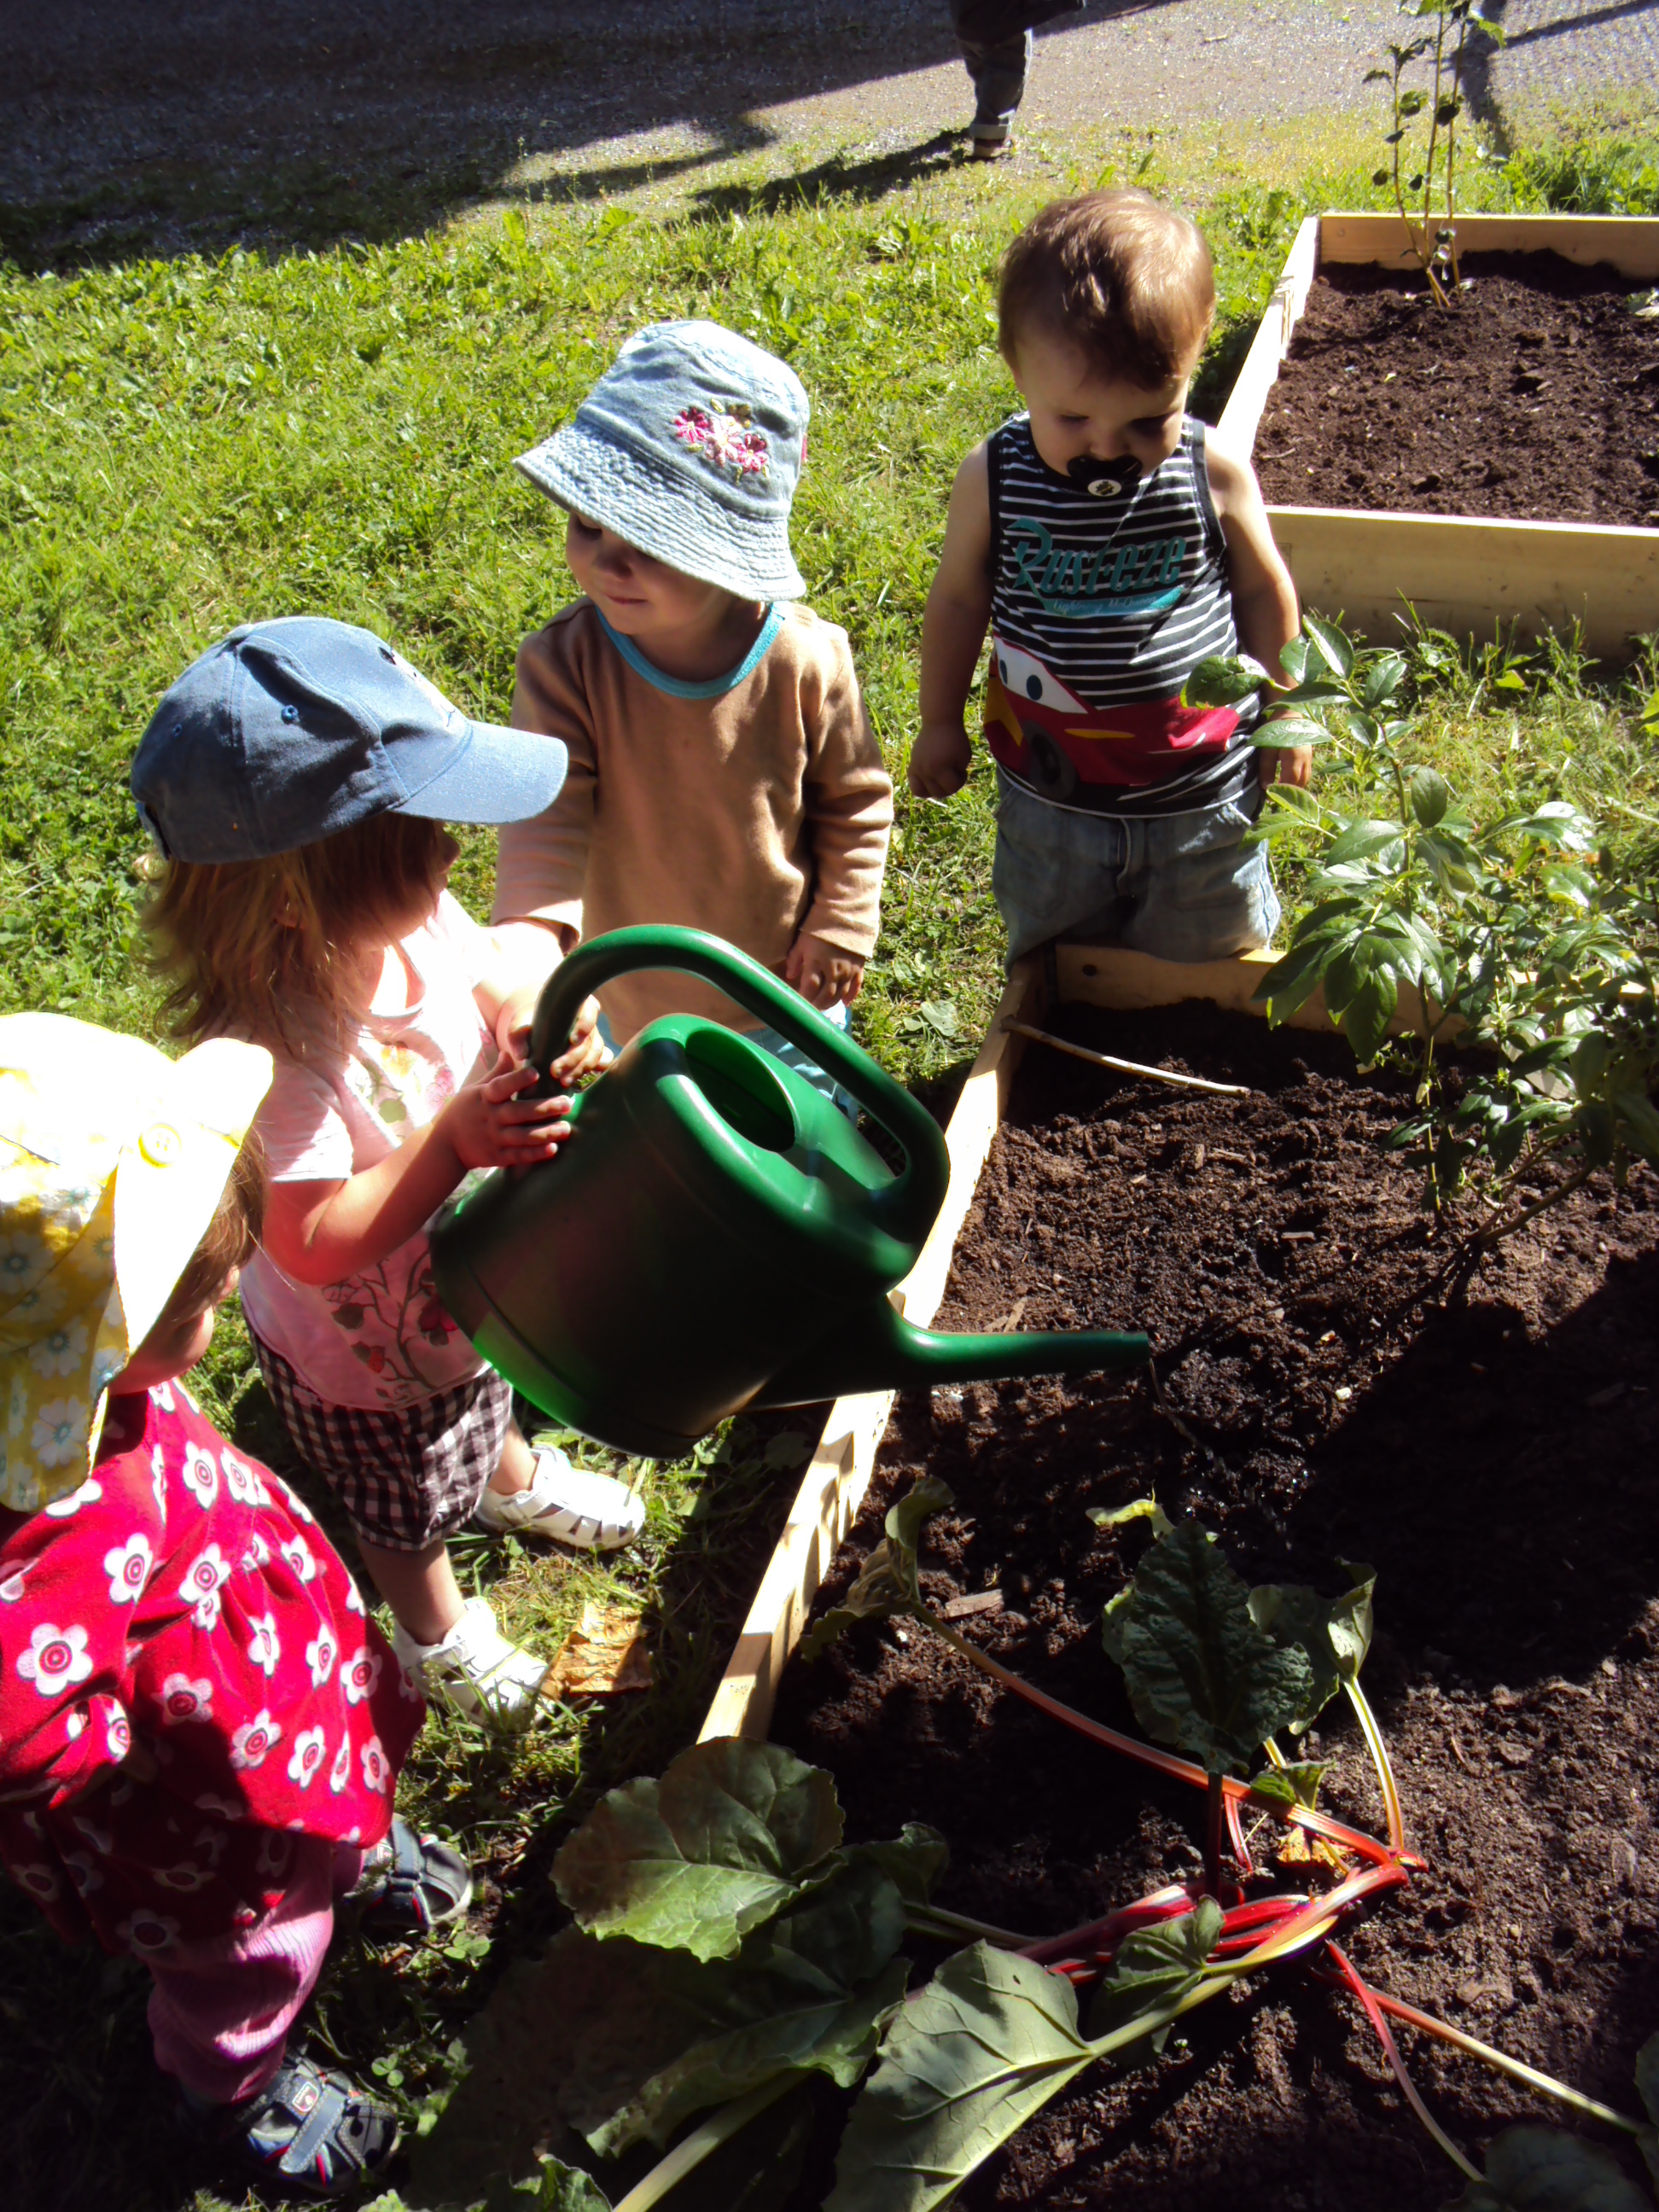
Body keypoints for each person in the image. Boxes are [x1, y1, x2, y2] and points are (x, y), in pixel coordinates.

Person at [130, 619, 644, 1731]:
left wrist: (531, 1014)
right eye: (422, 840)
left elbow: (494, 968)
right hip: (368, 1359)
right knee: (405, 1502)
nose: (454, 854)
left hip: (467, 1286)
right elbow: (311, 1240)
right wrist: (453, 1142)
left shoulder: (412, 925)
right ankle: (434, 1631)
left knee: (488, 1393)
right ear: (292, 895)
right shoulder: (272, 1053)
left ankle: (507, 1483)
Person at [0, 1012, 456, 2197]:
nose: (221, 1303)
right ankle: (234, 2081)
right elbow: (19, 1730)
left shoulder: (65, 1400)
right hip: (203, 1807)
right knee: (253, 1953)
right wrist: (141, 1766)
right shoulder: (48, 1520)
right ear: (84, 1347)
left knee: (338, 1783)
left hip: (277, 1700)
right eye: (193, 1301)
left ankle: (344, 1844)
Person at [492, 320, 893, 1093]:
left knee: (802, 1148)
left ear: (729, 550)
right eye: (586, 525)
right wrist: (535, 954)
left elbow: (856, 803)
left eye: (650, 542)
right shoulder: (565, 666)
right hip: (627, 999)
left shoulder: (805, 662)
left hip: (780, 995)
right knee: (664, 1146)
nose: (608, 562)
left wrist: (841, 923)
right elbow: (545, 822)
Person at [910, 189, 1307, 968]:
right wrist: (939, 720)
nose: (1107, 447)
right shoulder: (994, 477)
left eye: (1147, 420)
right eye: (1073, 420)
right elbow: (958, 600)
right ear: (1017, 370)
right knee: (1058, 966)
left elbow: (1264, 591)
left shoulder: (1211, 470)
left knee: (1211, 964)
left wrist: (1286, 714)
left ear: (1193, 366)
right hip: (1050, 804)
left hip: (1204, 798)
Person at [948, 1, 1080, 161]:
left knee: (983, 65)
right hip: (1006, 19)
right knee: (1007, 71)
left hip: (966, 19)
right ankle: (990, 135)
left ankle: (985, 120)